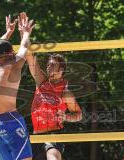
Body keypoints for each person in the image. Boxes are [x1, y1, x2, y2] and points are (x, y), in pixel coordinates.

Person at [19, 12, 83, 160]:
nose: (48, 68)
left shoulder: (65, 92)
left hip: (54, 134)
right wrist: (24, 34)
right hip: (36, 134)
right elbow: (29, 56)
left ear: (61, 70)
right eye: (48, 65)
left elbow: (79, 115)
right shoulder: (42, 80)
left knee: (53, 158)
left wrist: (66, 116)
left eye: (52, 66)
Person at [0, 14, 35, 160]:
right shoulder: (12, 64)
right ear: (11, 54)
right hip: (11, 120)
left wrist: (8, 32)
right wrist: (25, 32)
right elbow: (25, 46)